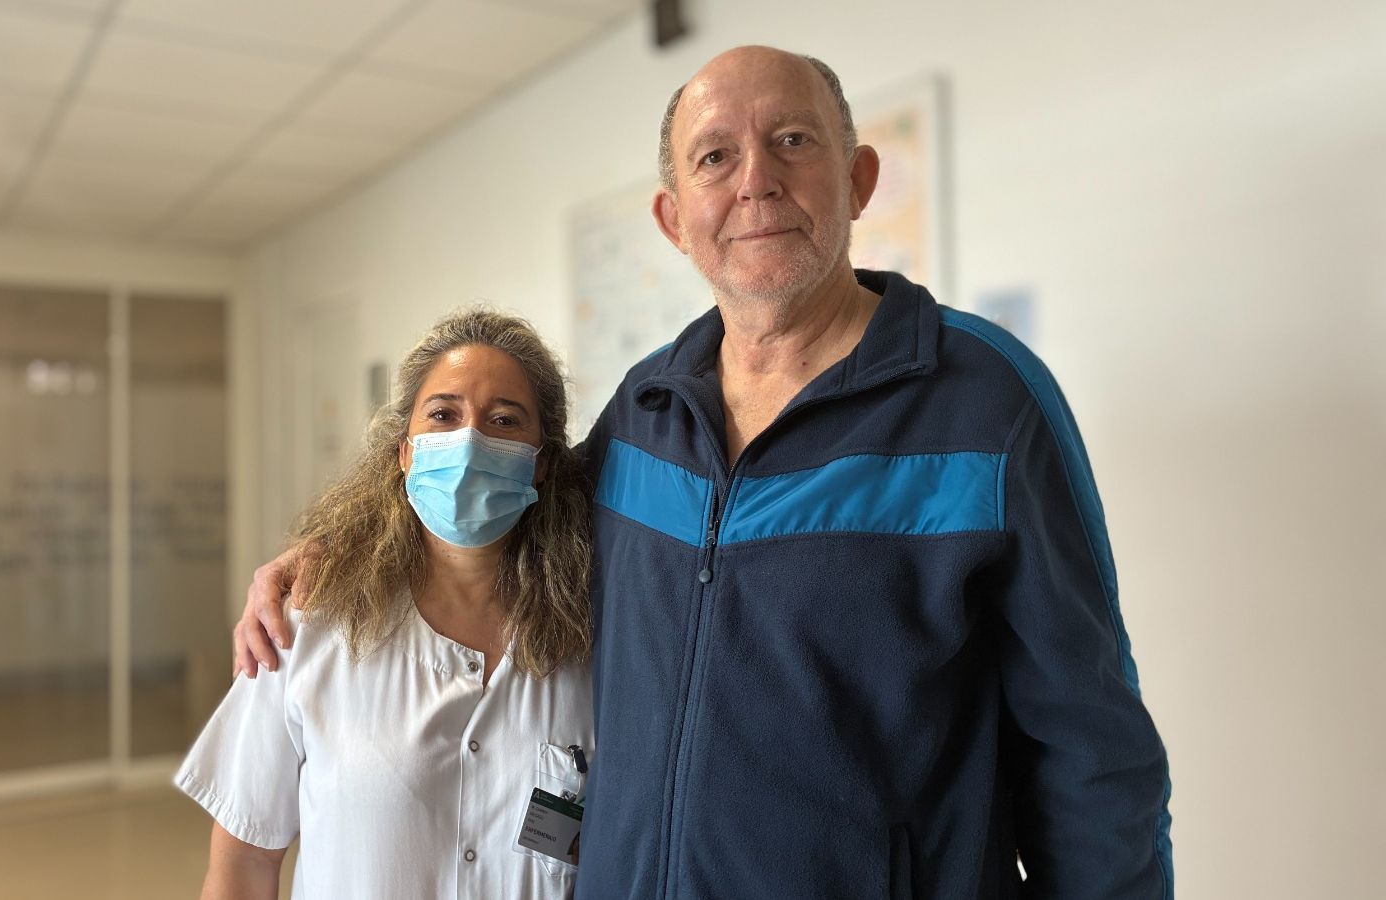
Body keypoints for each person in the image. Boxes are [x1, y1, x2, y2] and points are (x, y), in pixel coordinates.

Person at [236, 46, 1174, 900]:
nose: (756, 179)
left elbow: (1095, 758)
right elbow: (507, 521)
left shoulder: (989, 404)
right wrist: (327, 556)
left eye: (792, 140)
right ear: (674, 219)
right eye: (715, 157)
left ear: (858, 180)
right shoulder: (649, 408)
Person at [179, 309, 596, 899]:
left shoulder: (590, 636)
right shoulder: (309, 622)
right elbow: (242, 867)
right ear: (404, 453)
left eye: (504, 420)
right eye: (443, 414)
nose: (470, 440)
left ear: (543, 463)